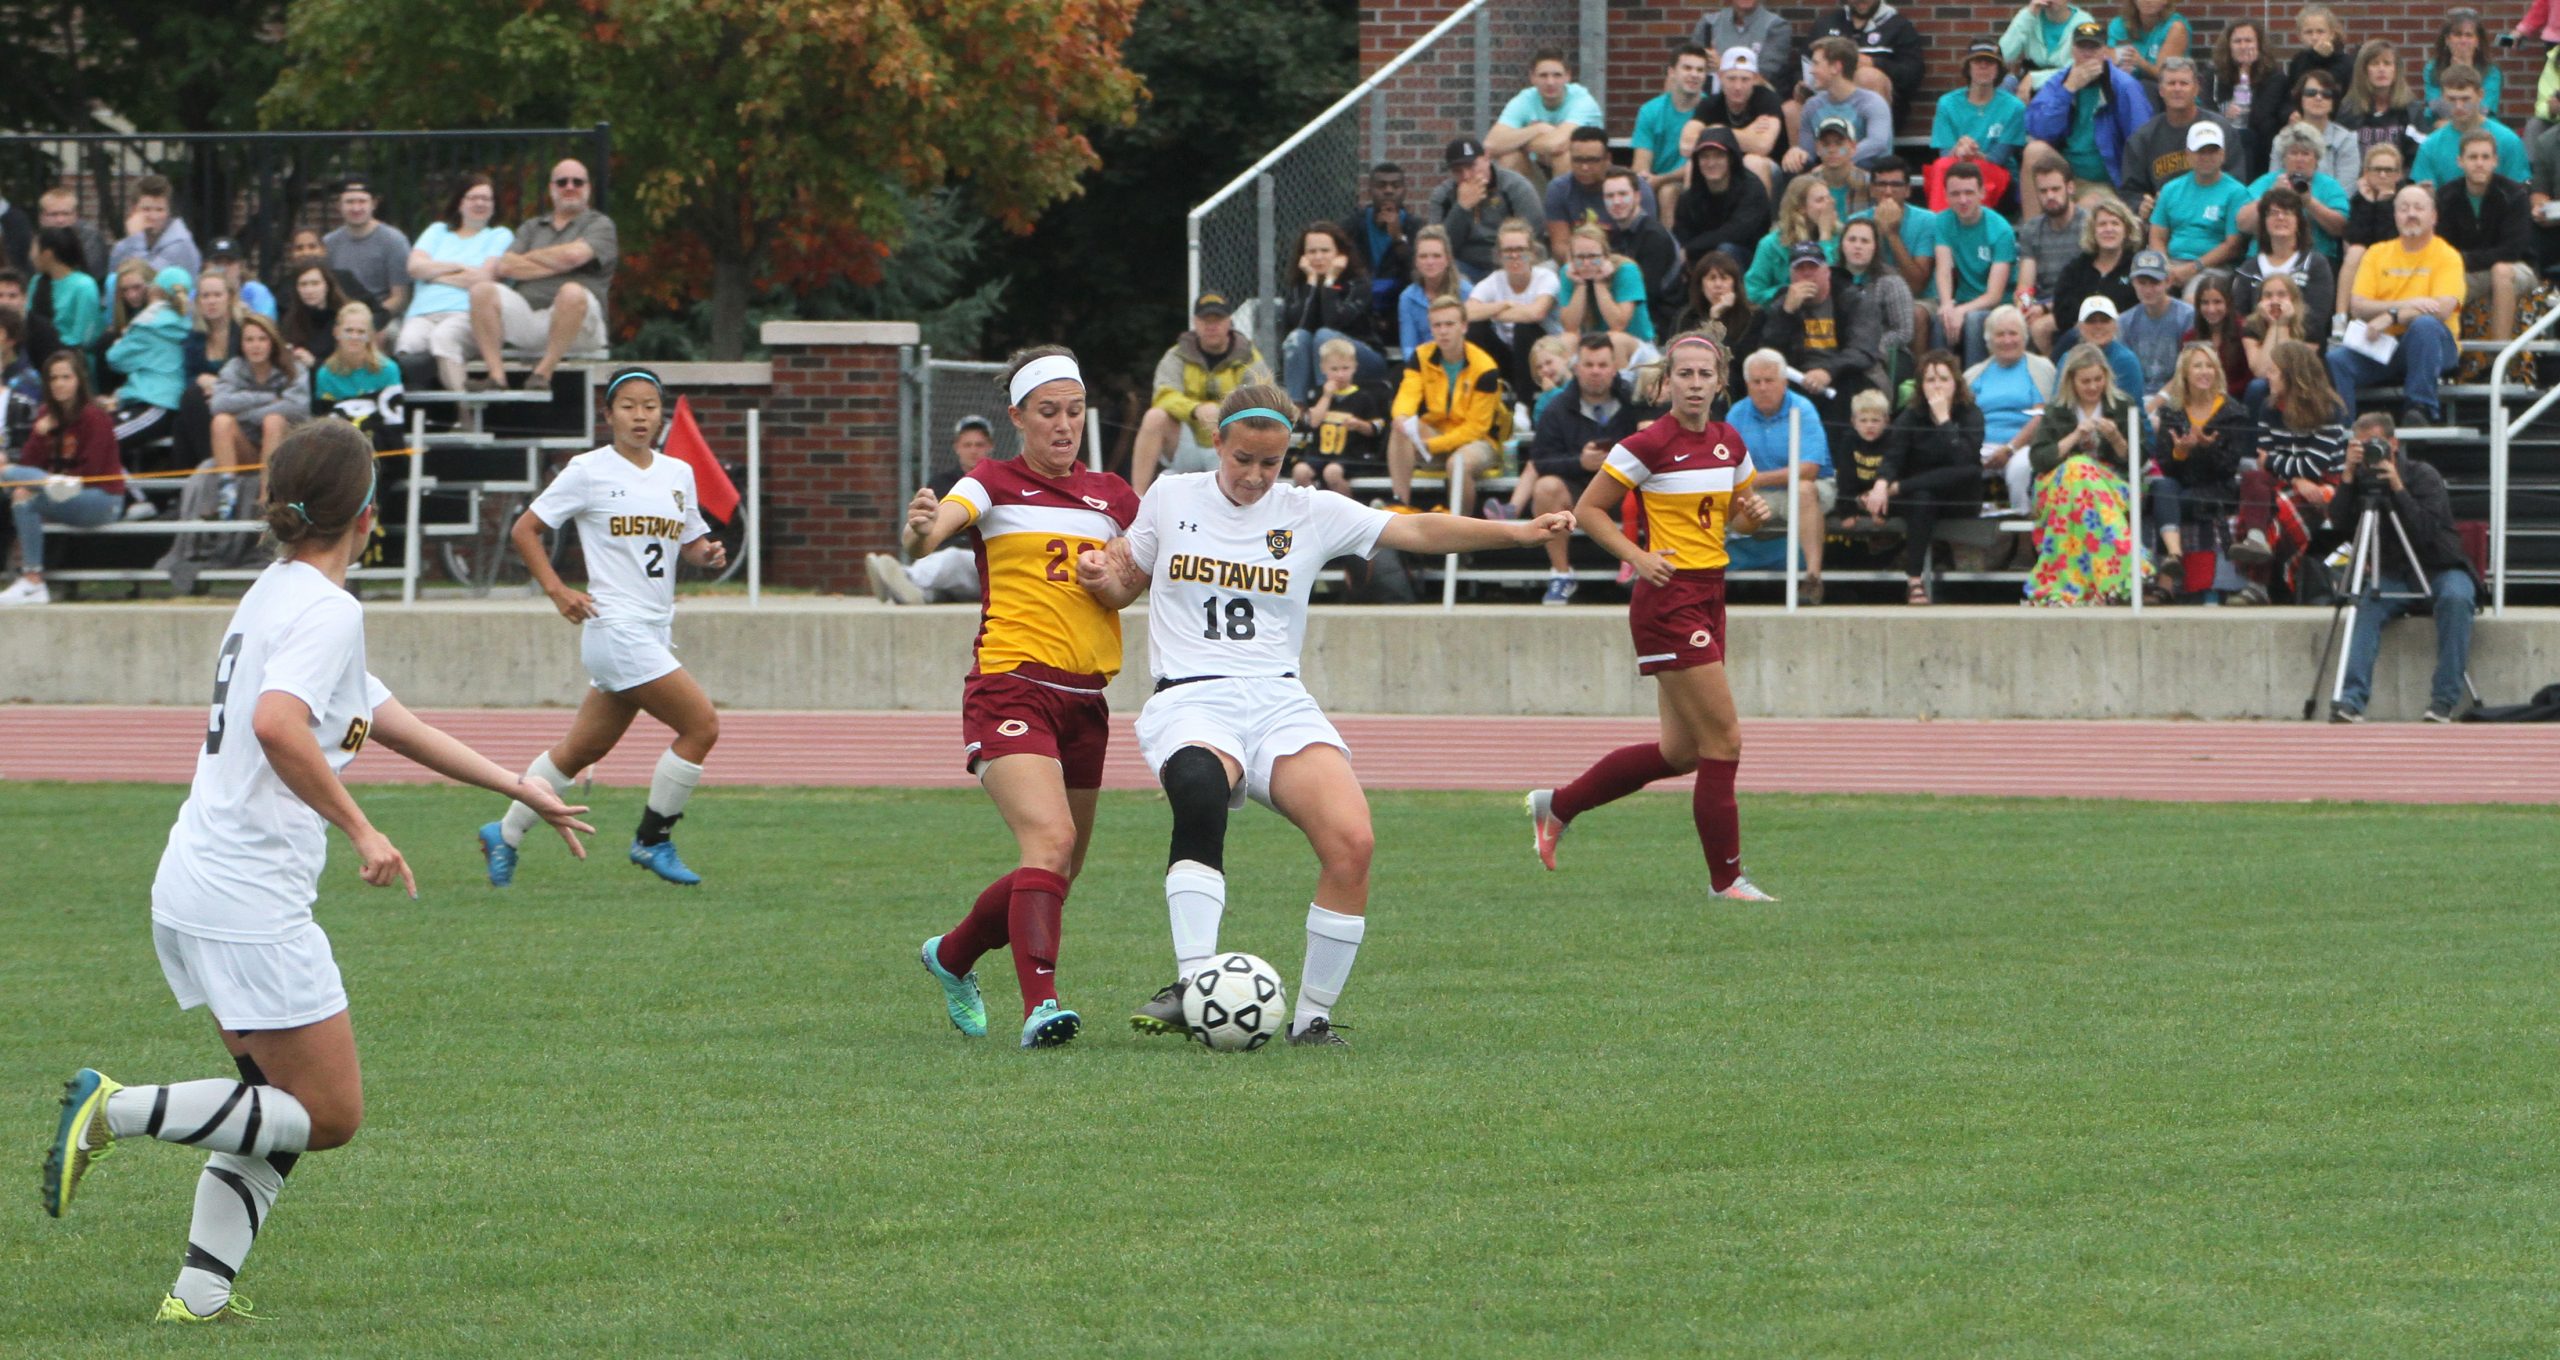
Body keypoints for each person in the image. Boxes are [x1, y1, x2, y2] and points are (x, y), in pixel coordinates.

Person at [38, 420, 593, 1325]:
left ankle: (199, 1294)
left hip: (196, 883)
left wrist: (519, 784)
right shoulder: (330, 609)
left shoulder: (277, 592)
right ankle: (115, 1108)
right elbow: (278, 724)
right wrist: (364, 830)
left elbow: (386, 718)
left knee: (273, 1107)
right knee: (328, 1115)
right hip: (247, 898)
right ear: (369, 515)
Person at [1090, 387, 1574, 1047]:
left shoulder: (1309, 510)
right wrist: (1100, 578)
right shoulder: (1172, 496)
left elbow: (1418, 528)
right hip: (1192, 697)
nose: (1257, 475)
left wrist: (1518, 531)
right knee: (1200, 789)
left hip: (1280, 700)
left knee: (1353, 843)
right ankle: (1194, 982)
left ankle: (1312, 1020)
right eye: (1242, 460)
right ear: (1219, 446)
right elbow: (1125, 582)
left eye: (1271, 461)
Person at [896, 350, 1140, 1047]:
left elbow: (1145, 571)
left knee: (1060, 864)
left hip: (1086, 699)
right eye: (1048, 412)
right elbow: (931, 533)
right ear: (1018, 418)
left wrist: (1115, 571)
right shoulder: (992, 482)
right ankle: (1043, 1005)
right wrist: (919, 526)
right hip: (1011, 685)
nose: (1064, 426)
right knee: (1050, 840)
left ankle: (951, 955)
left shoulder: (1114, 495)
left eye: (1074, 411)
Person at [1527, 333, 1778, 902]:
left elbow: (1737, 522)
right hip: (1668, 599)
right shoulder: (1648, 443)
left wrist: (1755, 516)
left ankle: (1558, 804)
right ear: (1668, 381)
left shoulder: (1730, 441)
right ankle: (1726, 881)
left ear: (1720, 381)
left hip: (1711, 592)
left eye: (1703, 375)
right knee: (1726, 740)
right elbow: (1588, 510)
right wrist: (1637, 557)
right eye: (1683, 374)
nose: (1694, 384)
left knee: (1681, 753)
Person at [477, 367, 729, 891]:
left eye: (650, 406)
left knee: (579, 752)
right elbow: (527, 529)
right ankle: (652, 839)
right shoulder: (588, 470)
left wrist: (705, 554)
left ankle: (504, 833)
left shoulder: (677, 473)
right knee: (701, 725)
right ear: (609, 413)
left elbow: (688, 542)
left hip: (655, 627)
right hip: (615, 627)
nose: (640, 416)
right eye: (629, 406)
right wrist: (557, 590)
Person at [2315, 412, 2477, 721]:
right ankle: (2351, 700)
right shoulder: (2359, 479)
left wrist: (2398, 488)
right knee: (2366, 607)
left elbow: (2426, 531)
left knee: (2457, 599)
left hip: (2439, 567)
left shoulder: (2422, 475)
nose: (2371, 454)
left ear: (2393, 444)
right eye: (2363, 447)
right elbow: (2338, 527)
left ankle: (2443, 701)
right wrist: (2348, 476)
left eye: (2376, 445)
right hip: (2394, 574)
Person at [468, 158, 616, 389]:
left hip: (580, 328)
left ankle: (542, 375)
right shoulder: (531, 227)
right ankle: (496, 377)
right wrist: (563, 259)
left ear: (587, 188)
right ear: (551, 188)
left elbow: (574, 257)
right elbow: (506, 266)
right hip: (531, 320)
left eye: (577, 182)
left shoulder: (599, 224)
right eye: (562, 182)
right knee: (481, 291)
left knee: (571, 291)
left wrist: (530, 259)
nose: (569, 187)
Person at [2331, 184, 2467, 424]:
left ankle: (2420, 409)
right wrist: (2409, 305)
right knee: (2336, 359)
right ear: (2395, 216)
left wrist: (2392, 316)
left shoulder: (2448, 256)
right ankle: (2341, 432)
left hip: (2434, 346)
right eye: (2403, 209)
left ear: (2433, 216)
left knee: (2424, 325)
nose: (2411, 214)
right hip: (2383, 344)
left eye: (2418, 208)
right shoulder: (2376, 253)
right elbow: (2359, 306)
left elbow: (2442, 308)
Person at [1861, 349, 1986, 601]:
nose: (1937, 385)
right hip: (1918, 496)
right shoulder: (1911, 415)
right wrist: (1882, 485)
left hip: (1959, 498)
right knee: (1923, 495)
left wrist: (1943, 420)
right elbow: (1893, 455)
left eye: (1943, 378)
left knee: (1968, 470)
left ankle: (1904, 488)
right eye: (1930, 380)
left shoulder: (1970, 413)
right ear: (1921, 385)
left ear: (1956, 383)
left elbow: (1964, 460)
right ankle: (1914, 581)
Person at [0, 351, 122, 605]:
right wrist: (40, 434)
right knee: (22, 495)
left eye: (66, 377)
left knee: (11, 476)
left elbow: (93, 472)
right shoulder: (46, 414)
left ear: (78, 379)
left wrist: (48, 482)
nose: (59, 383)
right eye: (53, 378)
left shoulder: (94, 416)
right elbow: (30, 464)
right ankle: (33, 580)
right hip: (59, 491)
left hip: (101, 498)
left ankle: (26, 479)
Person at [2024, 342, 2142, 603]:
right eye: (2085, 381)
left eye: (2098, 379)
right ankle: (2124, 569)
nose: (2092, 387)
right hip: (2059, 486)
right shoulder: (2057, 410)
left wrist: (2116, 439)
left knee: (2081, 478)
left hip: (2110, 487)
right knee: (2077, 467)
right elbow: (2039, 459)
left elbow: (2138, 458)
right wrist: (2075, 435)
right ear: (2071, 381)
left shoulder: (2123, 405)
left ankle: (2067, 583)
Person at [1525, 333, 1636, 604]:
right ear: (1576, 367)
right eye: (1589, 364)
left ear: (1614, 367)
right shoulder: (1556, 408)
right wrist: (1580, 462)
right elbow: (1540, 460)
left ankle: (1648, 566)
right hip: (1577, 491)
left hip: (1627, 490)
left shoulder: (1635, 402)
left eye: (1602, 364)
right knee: (1545, 487)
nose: (1595, 371)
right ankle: (1561, 574)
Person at [1133, 293, 1271, 494]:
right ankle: (1137, 498)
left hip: (1229, 443)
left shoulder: (1249, 357)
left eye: (1218, 320)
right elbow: (1163, 395)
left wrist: (1225, 414)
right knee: (1154, 416)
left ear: (1229, 322)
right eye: (1206, 320)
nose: (1211, 326)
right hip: (1186, 442)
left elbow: (1263, 399)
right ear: (1195, 322)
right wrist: (1195, 409)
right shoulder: (1177, 355)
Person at [1728, 346, 1839, 597]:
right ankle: (1713, 572)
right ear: (1747, 384)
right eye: (1756, 381)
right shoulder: (1736, 413)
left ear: (1784, 382)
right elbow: (1728, 465)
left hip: (1809, 489)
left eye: (1769, 380)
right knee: (1723, 495)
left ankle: (1812, 578)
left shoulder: (1804, 408)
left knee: (1804, 490)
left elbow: (1809, 470)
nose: (1763, 387)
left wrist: (1755, 479)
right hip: (1758, 493)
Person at [2145, 341, 2252, 598]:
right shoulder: (2172, 411)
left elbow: (2228, 467)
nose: (2204, 372)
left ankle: (2166, 583)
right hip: (2180, 483)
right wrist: (2181, 451)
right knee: (2161, 487)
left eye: (2209, 366)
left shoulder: (2233, 412)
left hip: (2216, 488)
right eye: (2197, 366)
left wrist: (2203, 448)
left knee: (2173, 501)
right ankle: (2174, 554)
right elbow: (2166, 466)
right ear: (2185, 374)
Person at [867, 414, 1003, 604]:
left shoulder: (1001, 481)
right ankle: (910, 593)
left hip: (984, 563)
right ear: (957, 448)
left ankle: (903, 577)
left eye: (979, 445)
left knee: (953, 560)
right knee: (935, 581)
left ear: (990, 447)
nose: (974, 450)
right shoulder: (940, 484)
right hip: (945, 561)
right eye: (967, 445)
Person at [398, 175, 515, 392]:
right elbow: (414, 267)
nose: (480, 203)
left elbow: (482, 278)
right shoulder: (437, 231)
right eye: (473, 197)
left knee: (443, 338)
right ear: (460, 202)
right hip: (422, 313)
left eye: (486, 199)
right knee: (408, 342)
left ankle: (466, 416)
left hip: (465, 314)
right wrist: (458, 266)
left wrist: (433, 273)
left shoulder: (499, 235)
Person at [1388, 297, 1504, 514]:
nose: (1443, 331)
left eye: (1449, 324)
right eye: (1437, 325)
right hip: (1438, 430)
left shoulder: (1485, 367)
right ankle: (1399, 503)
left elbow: (1476, 429)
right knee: (1399, 429)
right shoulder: (1422, 355)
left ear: (1464, 326)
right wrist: (1402, 417)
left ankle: (1460, 527)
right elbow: (1407, 394)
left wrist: (1433, 446)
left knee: (1458, 463)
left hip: (1479, 441)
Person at [1759, 240, 1885, 425]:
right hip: (1798, 379)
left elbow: (1862, 350)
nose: (1807, 274)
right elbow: (1768, 352)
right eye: (1800, 268)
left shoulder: (1854, 300)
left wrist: (1828, 371)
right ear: (1791, 276)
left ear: (1827, 272)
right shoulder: (1782, 304)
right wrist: (1786, 314)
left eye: (1813, 267)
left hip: (1845, 376)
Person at [2027, 21, 2157, 189]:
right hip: (2064, 176)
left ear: (2105, 52)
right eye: (2082, 47)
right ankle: (2034, 217)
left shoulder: (2125, 86)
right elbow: (2040, 131)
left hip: (2108, 180)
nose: (2087, 54)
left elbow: (2142, 140)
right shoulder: (2059, 82)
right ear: (2072, 51)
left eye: (2093, 48)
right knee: (2033, 150)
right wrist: (2068, 89)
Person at [2433, 130, 2536, 341]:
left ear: (2495, 161)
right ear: (2460, 161)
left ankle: (2501, 357)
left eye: (2485, 157)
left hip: (2517, 268)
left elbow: (2512, 250)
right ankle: (2444, 359)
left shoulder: (2514, 195)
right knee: (2440, 282)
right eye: (2472, 157)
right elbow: (2442, 246)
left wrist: (2466, 259)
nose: (2479, 163)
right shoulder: (2446, 196)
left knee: (2501, 271)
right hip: (2468, 271)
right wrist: (2461, 262)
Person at [1277, 221, 1385, 405]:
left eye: (1325, 251)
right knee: (1298, 337)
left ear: (1339, 254)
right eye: (1312, 251)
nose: (1318, 257)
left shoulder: (1358, 284)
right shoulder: (1299, 287)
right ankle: (1296, 408)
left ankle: (1327, 402)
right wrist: (1311, 283)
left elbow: (1333, 322)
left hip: (1363, 358)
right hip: (1318, 359)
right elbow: (1298, 328)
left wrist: (1329, 282)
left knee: (1325, 336)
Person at [2121, 57, 2247, 208]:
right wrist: (2142, 205)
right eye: (2171, 83)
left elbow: (2236, 182)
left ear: (2196, 88)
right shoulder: (2142, 138)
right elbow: (2131, 192)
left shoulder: (2221, 130)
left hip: (2212, 214)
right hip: (2163, 218)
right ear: (2161, 90)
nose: (2177, 89)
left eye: (2184, 83)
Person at [1967, 306, 2060, 509]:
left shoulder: (2040, 367)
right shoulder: (1975, 373)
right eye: (2000, 334)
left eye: (2013, 333)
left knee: (2020, 468)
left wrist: (2010, 449)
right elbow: (1965, 417)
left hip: (2026, 447)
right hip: (1982, 445)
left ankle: (2023, 530)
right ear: (1989, 340)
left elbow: (2042, 416)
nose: (2007, 340)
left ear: (2024, 337)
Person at [2147, 123, 2250, 296]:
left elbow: (2233, 245)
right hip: (2171, 262)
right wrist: (2165, 266)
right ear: (2188, 154)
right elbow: (2157, 236)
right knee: (2148, 290)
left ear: (2223, 154)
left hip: (2213, 267)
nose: (2207, 156)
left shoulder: (2237, 192)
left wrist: (2194, 267)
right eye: (2200, 151)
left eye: (2213, 151)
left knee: (2193, 297)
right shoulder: (2171, 188)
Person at [1465, 216, 1561, 401]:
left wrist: (1493, 313)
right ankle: (1481, 398)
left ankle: (1523, 406)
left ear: (1532, 253)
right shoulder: (1494, 280)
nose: (1515, 256)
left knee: (1523, 328)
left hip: (1538, 360)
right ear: (1499, 255)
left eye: (1520, 250)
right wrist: (1503, 305)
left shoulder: (1545, 277)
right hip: (1506, 359)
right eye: (1508, 251)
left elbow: (1536, 312)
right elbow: (1467, 312)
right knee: (1475, 328)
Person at [105, 265, 193, 467]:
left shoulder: (147, 322)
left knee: (101, 441)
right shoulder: (186, 323)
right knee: (96, 439)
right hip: (163, 403)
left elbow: (114, 359)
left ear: (154, 290)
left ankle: (134, 497)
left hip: (155, 403)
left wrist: (122, 341)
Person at [1934, 162, 2019, 365]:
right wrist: (1947, 304)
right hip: (1964, 299)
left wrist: (1961, 311)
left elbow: (1994, 295)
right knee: (1941, 318)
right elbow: (1943, 268)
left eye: (1969, 193)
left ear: (1981, 193)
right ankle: (1937, 380)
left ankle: (1973, 386)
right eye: (1955, 194)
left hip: (1999, 304)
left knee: (1974, 321)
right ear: (1946, 196)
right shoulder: (1943, 221)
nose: (1963, 200)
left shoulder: (2000, 230)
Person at [2232, 183, 2341, 340]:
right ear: (2264, 222)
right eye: (2273, 213)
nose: (2280, 217)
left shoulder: (2315, 264)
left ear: (2298, 222)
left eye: (2288, 212)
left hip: (2302, 347)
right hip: (2256, 347)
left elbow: (2317, 319)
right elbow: (2240, 317)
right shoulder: (2249, 268)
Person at [1429, 138, 1547, 280]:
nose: (1466, 176)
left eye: (1471, 166)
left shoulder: (1515, 186)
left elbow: (1533, 233)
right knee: (1436, 266)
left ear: (1486, 157)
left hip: (1510, 260)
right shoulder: (1443, 195)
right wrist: (1461, 208)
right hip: (1465, 266)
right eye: (1457, 171)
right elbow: (1437, 247)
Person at [208, 313, 308, 476]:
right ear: (241, 344)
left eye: (262, 339)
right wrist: (266, 397)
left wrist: (248, 414)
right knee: (221, 422)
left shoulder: (294, 367)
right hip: (247, 447)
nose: (256, 345)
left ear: (273, 342)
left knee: (273, 421)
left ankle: (266, 496)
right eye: (249, 340)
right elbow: (218, 404)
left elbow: (297, 408)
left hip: (288, 450)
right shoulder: (234, 367)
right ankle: (226, 494)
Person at [1289, 338, 1391, 497]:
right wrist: (1327, 396)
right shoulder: (1317, 394)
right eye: (1334, 369)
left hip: (1350, 455)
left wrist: (1359, 425)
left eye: (1345, 368)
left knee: (1332, 472)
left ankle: (1348, 510)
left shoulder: (1364, 396)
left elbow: (1376, 428)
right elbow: (1314, 422)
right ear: (1323, 368)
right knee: (1300, 471)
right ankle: (1315, 508)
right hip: (1319, 453)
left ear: (1355, 367)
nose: (1340, 374)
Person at [1486, 51, 1605, 182]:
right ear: (1532, 77)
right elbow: (1490, 145)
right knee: (1510, 158)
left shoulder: (1583, 101)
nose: (1550, 82)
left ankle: (1561, 202)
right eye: (1543, 75)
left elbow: (1556, 145)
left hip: (1587, 174)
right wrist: (1538, 129)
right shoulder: (1525, 98)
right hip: (1538, 168)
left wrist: (1518, 141)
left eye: (1557, 75)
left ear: (1568, 76)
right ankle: (1524, 202)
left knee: (1564, 156)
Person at [1805, 0, 1926, 129]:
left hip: (1884, 108)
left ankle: (1874, 143)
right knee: (1791, 109)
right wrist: (1801, 85)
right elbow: (1804, 64)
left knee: (1867, 77)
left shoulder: (1899, 26)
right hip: (1827, 99)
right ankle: (1802, 149)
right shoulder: (1826, 24)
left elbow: (1913, 74)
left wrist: (1874, 63)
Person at [2239, 126, 2353, 263]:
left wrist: (2309, 202)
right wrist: (2271, 195)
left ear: (2316, 159)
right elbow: (2243, 225)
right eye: (2293, 153)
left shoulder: (2329, 185)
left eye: (2305, 154)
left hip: (2314, 259)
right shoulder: (2267, 181)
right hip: (2264, 256)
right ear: (2284, 158)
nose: (2299, 159)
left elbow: (2341, 228)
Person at [1685, 49, 1789, 192]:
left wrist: (1713, 131)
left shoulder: (1767, 100)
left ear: (1755, 79)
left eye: (1745, 79)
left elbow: (1763, 145)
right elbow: (1686, 145)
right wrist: (1746, 134)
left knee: (1752, 162)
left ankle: (1760, 214)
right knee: (1692, 165)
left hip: (1770, 170)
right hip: (1724, 164)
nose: (1738, 87)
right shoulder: (1710, 104)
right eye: (1732, 79)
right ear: (1720, 77)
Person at [2412, 64, 2530, 185]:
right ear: (2442, 98)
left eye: (2465, 99)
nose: (2459, 106)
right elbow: (2425, 196)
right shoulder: (2430, 146)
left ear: (2480, 95)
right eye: (2452, 99)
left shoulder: (2508, 141)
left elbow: (2518, 192)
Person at [1793, 37, 1897, 172]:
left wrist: (1836, 161)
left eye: (1816, 64)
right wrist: (1796, 154)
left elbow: (1877, 143)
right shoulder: (1812, 106)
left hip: (1865, 171)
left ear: (1836, 67)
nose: (1812, 71)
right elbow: (1808, 152)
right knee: (1794, 167)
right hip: (1826, 170)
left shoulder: (1872, 103)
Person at [1601, 168, 1684, 338]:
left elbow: (1647, 293)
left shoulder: (1654, 236)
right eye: (1610, 196)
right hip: (1627, 316)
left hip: (1658, 325)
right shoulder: (1614, 235)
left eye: (1623, 194)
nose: (1616, 201)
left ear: (1637, 196)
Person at [1633, 47, 1713, 221]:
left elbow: (1704, 165)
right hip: (1656, 183)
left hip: (1702, 184)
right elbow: (1641, 164)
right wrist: (1646, 178)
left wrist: (1661, 179)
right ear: (1671, 72)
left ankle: (1673, 248)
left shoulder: (1712, 109)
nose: (1694, 74)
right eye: (1687, 68)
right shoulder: (1650, 111)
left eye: (1700, 70)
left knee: (1668, 192)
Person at [321, 177, 411, 332]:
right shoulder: (328, 243)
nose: (356, 208)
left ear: (374, 204)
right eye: (350, 202)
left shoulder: (394, 240)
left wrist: (370, 320)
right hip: (340, 316)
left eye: (362, 201)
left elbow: (400, 297)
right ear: (339, 206)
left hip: (384, 316)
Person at [1674, 128, 1775, 266]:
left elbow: (1736, 233)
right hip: (1702, 259)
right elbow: (1681, 234)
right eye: (1705, 157)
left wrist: (1691, 248)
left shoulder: (1752, 190)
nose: (1711, 163)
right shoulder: (1689, 197)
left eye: (1718, 156)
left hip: (1749, 260)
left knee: (1724, 251)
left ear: (1731, 159)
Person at [1934, 41, 2033, 180]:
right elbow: (1945, 155)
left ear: (1998, 70)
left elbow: (1998, 158)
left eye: (1990, 62)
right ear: (1968, 68)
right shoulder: (1946, 104)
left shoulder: (2015, 107)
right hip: (1956, 172)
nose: (1983, 65)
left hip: (1998, 176)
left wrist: (1973, 153)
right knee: (1941, 168)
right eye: (1977, 61)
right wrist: (1958, 150)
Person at [2015, 162, 2091, 341]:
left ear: (2070, 187)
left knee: (2041, 328)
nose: (2050, 196)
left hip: (2078, 302)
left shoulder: (2089, 225)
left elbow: (2087, 286)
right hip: (2041, 304)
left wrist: (2045, 308)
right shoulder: (2032, 229)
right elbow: (2025, 285)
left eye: (2055, 189)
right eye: (2043, 191)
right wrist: (2025, 306)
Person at [1546, 127, 1643, 263]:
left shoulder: (1633, 185)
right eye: (1578, 160)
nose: (1584, 167)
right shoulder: (1558, 189)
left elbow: (1644, 240)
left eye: (1592, 160)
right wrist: (1589, 267)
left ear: (1608, 159)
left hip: (1625, 262)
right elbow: (1560, 246)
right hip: (1578, 262)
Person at [310, 305, 403, 445]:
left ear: (370, 335)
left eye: (361, 332)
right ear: (336, 332)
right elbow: (325, 421)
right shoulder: (325, 374)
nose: (354, 337)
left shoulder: (388, 369)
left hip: (380, 440)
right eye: (349, 330)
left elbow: (392, 420)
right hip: (339, 441)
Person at [1746, 175, 1845, 307]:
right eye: (1820, 200)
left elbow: (1834, 284)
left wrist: (1825, 237)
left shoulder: (1842, 237)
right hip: (1786, 315)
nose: (1829, 205)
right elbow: (1753, 292)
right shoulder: (1770, 244)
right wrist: (1787, 293)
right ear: (1801, 208)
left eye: (1829, 198)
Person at [1557, 223, 1657, 346]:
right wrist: (1580, 285)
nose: (1586, 263)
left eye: (1593, 256)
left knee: (1614, 338)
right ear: (1572, 258)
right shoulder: (1569, 273)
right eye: (1580, 257)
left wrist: (1599, 283)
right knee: (1567, 339)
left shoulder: (1626, 270)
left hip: (1636, 343)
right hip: (1594, 347)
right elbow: (1569, 327)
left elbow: (1618, 325)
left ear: (1605, 256)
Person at [1838, 216, 1920, 361]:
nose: (1858, 246)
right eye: (1852, 240)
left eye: (1865, 241)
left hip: (1885, 353)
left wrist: (1869, 345)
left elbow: (1904, 332)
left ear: (1874, 247)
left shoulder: (1892, 282)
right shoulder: (1831, 278)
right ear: (1842, 244)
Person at [1343, 164, 1419, 314]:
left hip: (1398, 304)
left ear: (1404, 191)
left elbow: (1418, 272)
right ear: (1369, 190)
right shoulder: (1353, 225)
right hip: (1359, 304)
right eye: (1381, 186)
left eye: (1395, 186)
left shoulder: (1415, 227)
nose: (1388, 191)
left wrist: (1398, 238)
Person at [1861, 157, 1939, 299]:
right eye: (1881, 184)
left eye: (1896, 185)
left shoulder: (1928, 220)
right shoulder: (1857, 221)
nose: (1888, 191)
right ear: (1872, 190)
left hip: (1918, 300)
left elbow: (1917, 286)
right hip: (1869, 296)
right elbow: (1857, 278)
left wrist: (1892, 234)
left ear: (1907, 190)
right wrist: (1877, 231)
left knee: (1916, 313)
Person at [2120, 250, 2196, 391]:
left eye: (2155, 282)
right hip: (2138, 395)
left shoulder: (2187, 316)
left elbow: (2188, 369)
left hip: (2178, 395)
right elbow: (2125, 372)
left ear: (2168, 281)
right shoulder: (2124, 321)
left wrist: (2159, 400)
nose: (2148, 290)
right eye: (2142, 283)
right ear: (2133, 283)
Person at [2342, 140, 2411, 295]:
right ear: (2366, 173)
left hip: (2402, 261)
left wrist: (2384, 205)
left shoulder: (2407, 199)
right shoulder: (2359, 199)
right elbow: (2355, 239)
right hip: (2365, 263)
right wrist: (2369, 204)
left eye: (2389, 170)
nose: (2382, 175)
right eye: (2376, 170)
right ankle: (2341, 316)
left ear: (2399, 174)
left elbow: (2391, 242)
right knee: (2355, 252)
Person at [2342, 40, 2425, 168]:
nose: (2381, 69)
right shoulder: (2348, 110)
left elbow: (2419, 157)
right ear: (2364, 71)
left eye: (2387, 63)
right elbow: (2343, 158)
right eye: (2375, 64)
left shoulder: (2411, 110)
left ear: (2396, 70)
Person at [1676, 251, 1761, 370]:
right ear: (1701, 285)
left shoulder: (1753, 316)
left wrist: (1718, 320)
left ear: (1734, 284)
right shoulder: (1688, 317)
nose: (1718, 284)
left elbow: (1736, 360)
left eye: (1724, 278)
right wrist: (1714, 317)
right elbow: (1691, 358)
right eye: (1712, 278)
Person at [2214, 20, 2284, 163]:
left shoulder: (2275, 76)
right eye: (2237, 41)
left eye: (2248, 41)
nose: (2243, 46)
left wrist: (2244, 72)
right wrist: (2224, 114)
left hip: (2261, 144)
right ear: (2229, 46)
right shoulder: (2216, 74)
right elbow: (2209, 108)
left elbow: (2259, 115)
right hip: (2224, 140)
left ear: (2259, 45)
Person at [107, 175, 201, 279]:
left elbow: (147, 283)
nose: (153, 217)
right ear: (134, 210)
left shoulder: (181, 246)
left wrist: (136, 240)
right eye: (146, 209)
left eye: (159, 210)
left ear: (168, 212)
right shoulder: (122, 248)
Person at [2284, 69, 2364, 187]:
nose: (2318, 98)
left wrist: (2312, 203)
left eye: (2326, 94)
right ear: (2300, 99)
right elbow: (2275, 182)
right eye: (2311, 93)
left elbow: (2345, 190)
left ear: (2333, 102)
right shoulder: (2284, 139)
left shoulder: (2347, 140)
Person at [2424, 10, 2504, 129]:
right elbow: (2436, 107)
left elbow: (2484, 109)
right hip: (2441, 124)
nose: (2463, 40)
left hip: (2482, 126)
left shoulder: (2491, 71)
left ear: (2477, 41)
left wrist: (2466, 70)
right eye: (2457, 35)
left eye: (2469, 35)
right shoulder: (2432, 68)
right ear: (2447, 40)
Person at [2004, 0, 2098, 97]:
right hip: (2029, 79)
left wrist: (2034, 79)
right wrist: (2028, 16)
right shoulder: (2029, 15)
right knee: (2005, 83)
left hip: (2065, 84)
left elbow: (2081, 68)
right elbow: (2004, 55)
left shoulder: (2083, 23)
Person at [1397, 225, 1467, 354]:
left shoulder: (1467, 292)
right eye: (1423, 256)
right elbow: (1408, 347)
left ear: (1448, 259)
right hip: (1423, 365)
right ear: (1416, 262)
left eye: (1436, 256)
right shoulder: (1407, 298)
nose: (1430, 262)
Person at [31, 228, 102, 354]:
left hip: (71, 357)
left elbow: (85, 336)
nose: (31, 256)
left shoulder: (84, 286)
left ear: (47, 254)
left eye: (34, 250)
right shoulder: (37, 281)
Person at [1695, 0, 1795, 87]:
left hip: (1757, 101)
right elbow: (1692, 66)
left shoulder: (1776, 27)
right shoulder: (1709, 23)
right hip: (1712, 99)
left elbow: (1766, 76)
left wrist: (1723, 65)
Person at [2073, 294, 2151, 401]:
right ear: (2080, 327)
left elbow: (2132, 408)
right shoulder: (2068, 358)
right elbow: (2058, 402)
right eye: (2091, 321)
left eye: (2105, 320)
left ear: (2115, 324)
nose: (2098, 326)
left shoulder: (2126, 360)